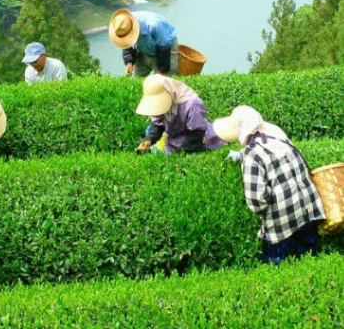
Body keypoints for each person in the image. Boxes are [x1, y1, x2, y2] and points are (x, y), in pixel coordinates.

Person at [214, 105, 324, 264]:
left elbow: (257, 201)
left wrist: (271, 201)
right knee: (310, 260)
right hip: (308, 209)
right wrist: (240, 156)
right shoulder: (275, 133)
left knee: (276, 266)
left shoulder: (253, 154)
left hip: (282, 222)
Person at [134, 74, 224, 154]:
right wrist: (149, 139)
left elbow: (195, 137)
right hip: (174, 143)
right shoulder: (157, 105)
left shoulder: (192, 104)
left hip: (199, 141)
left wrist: (182, 154)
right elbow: (158, 125)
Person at [110, 8, 179, 76]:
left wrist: (162, 70)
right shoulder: (123, 24)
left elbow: (163, 47)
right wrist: (129, 62)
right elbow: (126, 44)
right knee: (136, 81)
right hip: (143, 49)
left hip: (164, 51)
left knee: (162, 82)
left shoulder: (154, 25)